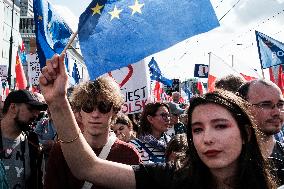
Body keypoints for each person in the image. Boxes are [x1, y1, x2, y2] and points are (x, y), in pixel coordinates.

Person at [40, 54, 278, 189]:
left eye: (220, 125)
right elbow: (87, 168)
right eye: (197, 129)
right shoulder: (171, 179)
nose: (207, 137)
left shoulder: (278, 176)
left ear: (246, 133)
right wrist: (58, 101)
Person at [44, 77, 142, 189]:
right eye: (88, 106)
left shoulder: (129, 155)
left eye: (103, 107)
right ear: (79, 112)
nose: (95, 114)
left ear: (114, 111)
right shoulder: (61, 150)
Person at [238, 79, 284, 184]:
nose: (277, 112)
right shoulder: (227, 163)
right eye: (266, 104)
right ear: (243, 108)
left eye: (280, 104)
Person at [0, 89, 47, 189]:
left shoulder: (33, 144)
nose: (36, 115)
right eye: (30, 109)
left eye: (37, 112)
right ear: (13, 108)